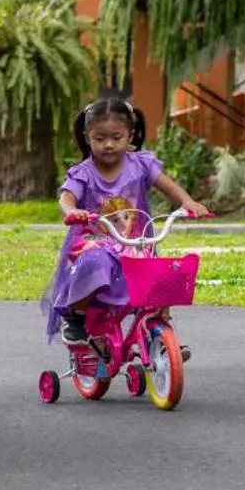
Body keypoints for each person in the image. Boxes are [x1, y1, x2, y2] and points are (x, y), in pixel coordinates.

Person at [42, 95, 211, 347]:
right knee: (95, 261)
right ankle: (76, 317)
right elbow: (66, 197)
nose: (108, 145)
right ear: (88, 137)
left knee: (160, 276)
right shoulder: (84, 172)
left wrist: (187, 202)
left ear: (130, 136)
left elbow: (169, 186)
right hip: (96, 240)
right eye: (99, 138)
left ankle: (161, 336)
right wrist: (71, 211)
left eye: (116, 137)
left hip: (134, 240)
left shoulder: (141, 165)